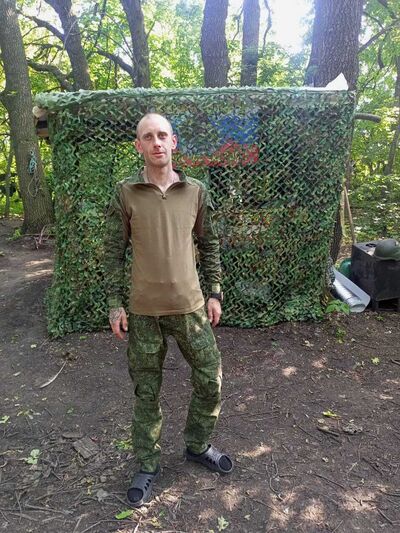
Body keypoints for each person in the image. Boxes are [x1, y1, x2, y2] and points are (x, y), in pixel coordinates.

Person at [104, 113, 233, 507]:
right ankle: (147, 465)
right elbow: (113, 252)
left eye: (163, 135)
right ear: (138, 146)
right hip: (144, 313)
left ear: (174, 142)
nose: (156, 142)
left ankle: (197, 445)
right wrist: (114, 304)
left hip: (190, 308)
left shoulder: (195, 191)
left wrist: (214, 293)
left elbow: (209, 243)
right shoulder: (126, 193)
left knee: (210, 379)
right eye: (148, 136)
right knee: (146, 392)